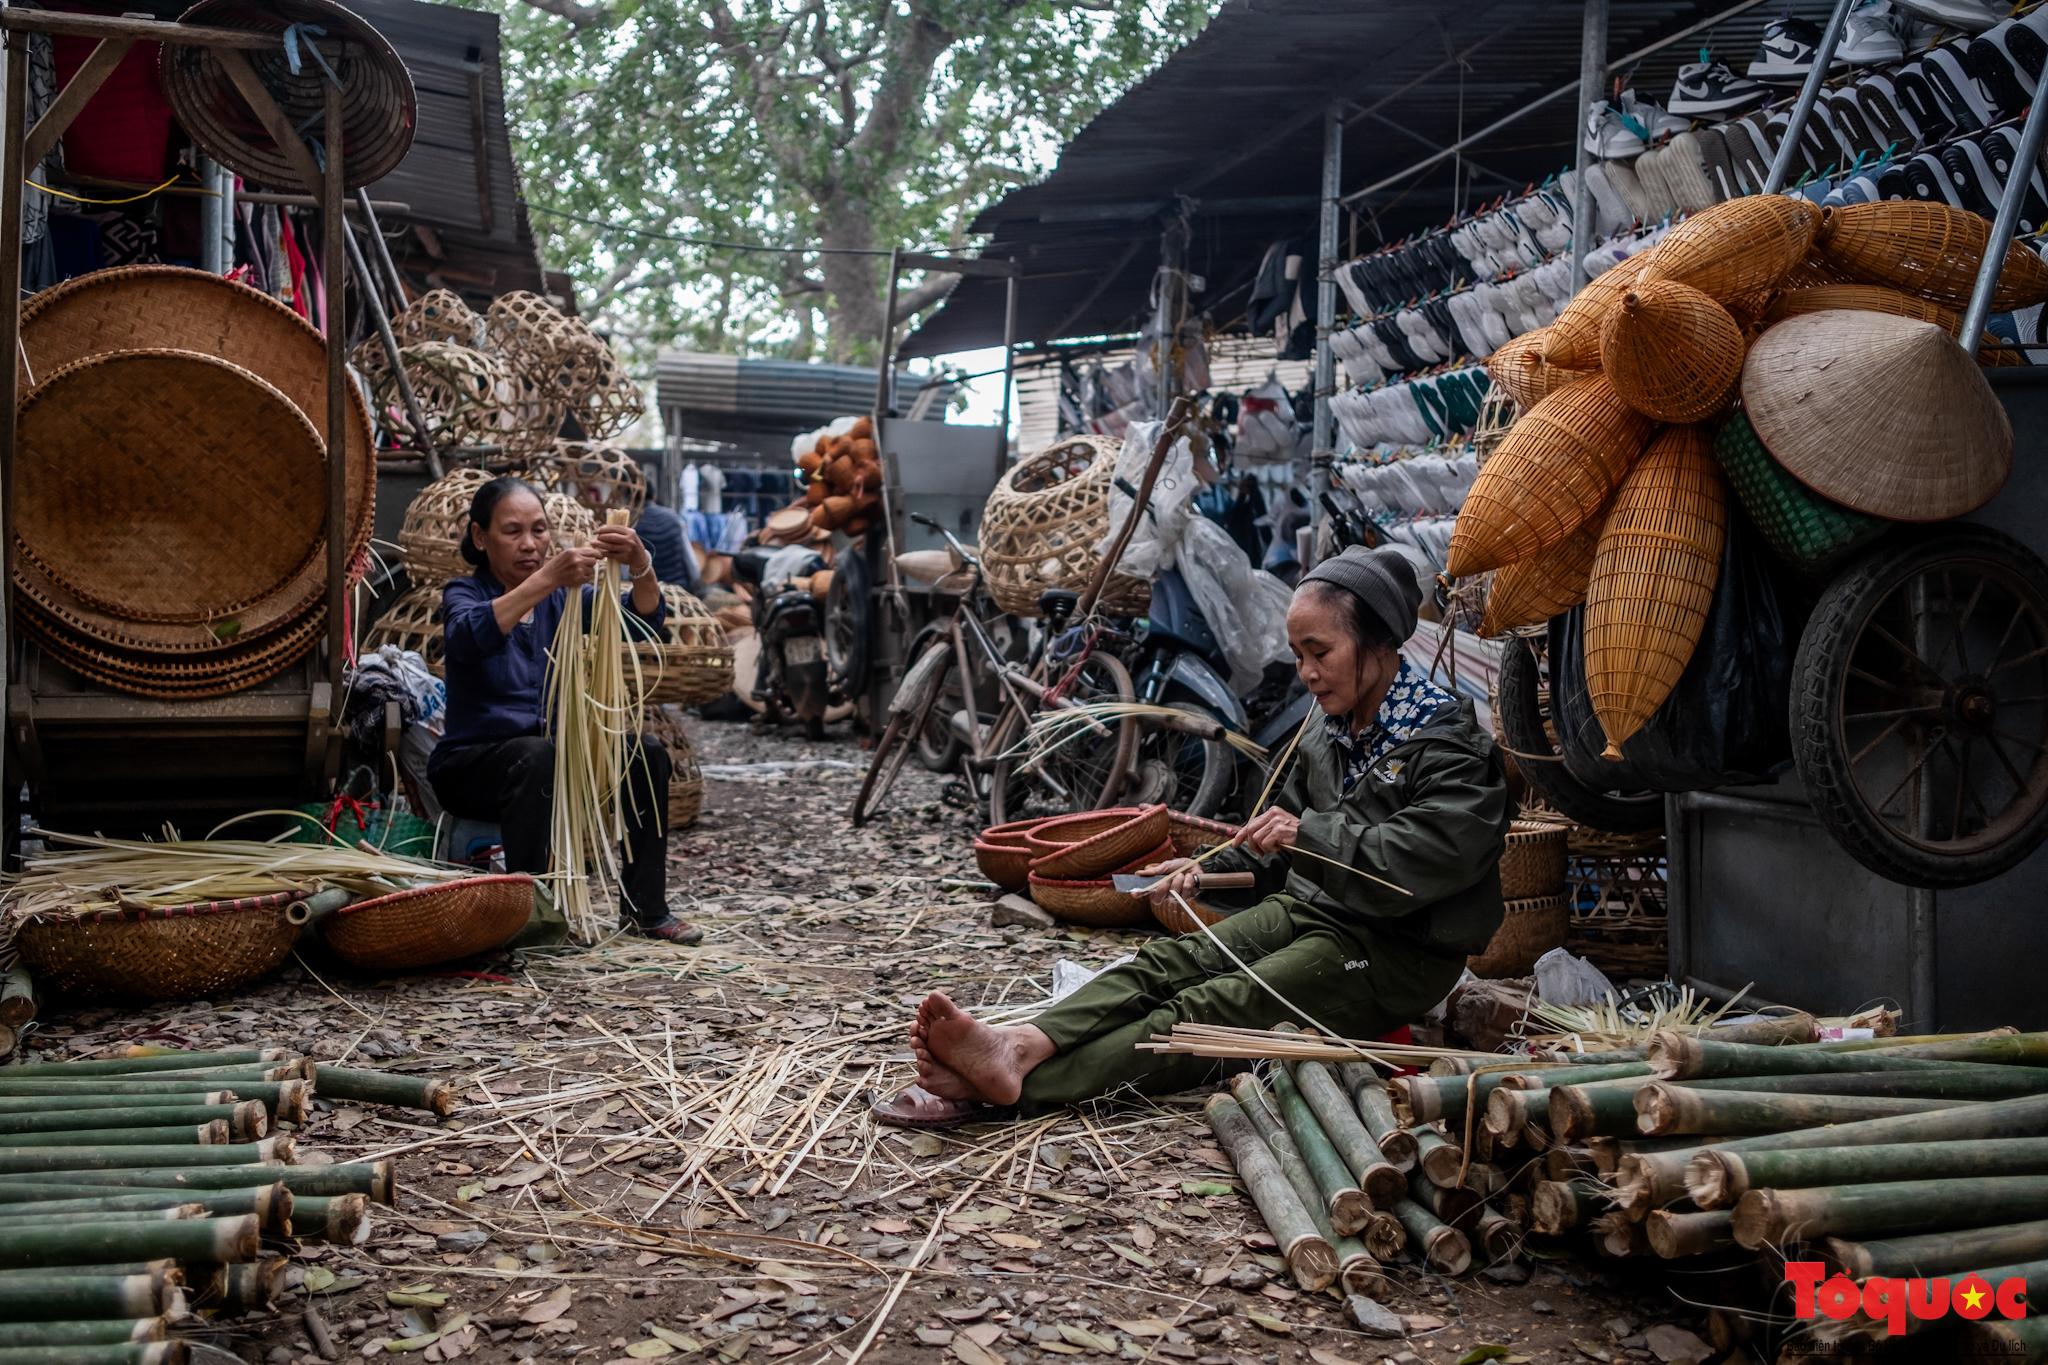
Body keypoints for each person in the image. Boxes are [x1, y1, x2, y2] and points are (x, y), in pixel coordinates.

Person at [880, 545, 1512, 1124]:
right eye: (1298, 657)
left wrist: (1309, 835)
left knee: (1214, 1008)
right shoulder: (1326, 729)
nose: (1308, 673)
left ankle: (1003, 1091)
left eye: (1321, 653)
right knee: (1171, 961)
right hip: (1315, 910)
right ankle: (1018, 1045)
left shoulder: (1449, 746)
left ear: (1380, 645)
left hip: (1397, 949)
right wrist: (1206, 870)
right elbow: (1275, 839)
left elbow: (1427, 861)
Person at [427, 477, 701, 943]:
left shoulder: (565, 600)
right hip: (472, 769)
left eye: (539, 529)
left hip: (552, 763)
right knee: (535, 755)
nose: (530, 543)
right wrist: (547, 577)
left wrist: (640, 562)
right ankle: (536, 919)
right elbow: (467, 635)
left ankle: (646, 912)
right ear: (480, 537)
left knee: (647, 753)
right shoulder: (464, 593)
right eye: (512, 531)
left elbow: (640, 621)